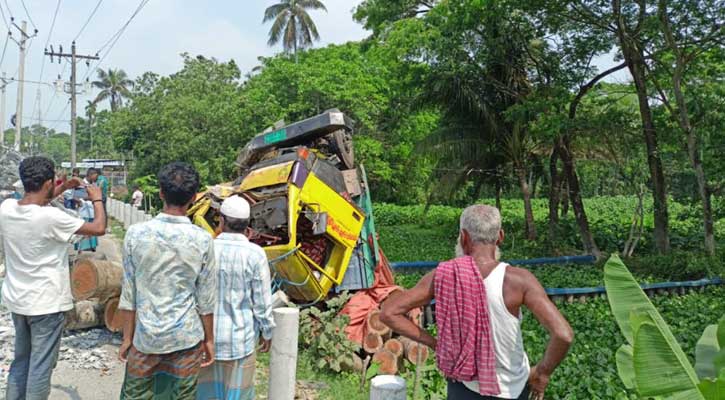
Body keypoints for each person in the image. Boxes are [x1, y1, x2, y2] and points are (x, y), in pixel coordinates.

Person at [380, 205, 573, 400]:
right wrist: (542, 373)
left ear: (463, 237)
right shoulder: (519, 281)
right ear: (500, 237)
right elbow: (563, 335)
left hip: (464, 386)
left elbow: (389, 312)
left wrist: (435, 344)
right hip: (513, 389)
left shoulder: (442, 276)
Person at [0, 156, 106, 400]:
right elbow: (99, 227)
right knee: (40, 367)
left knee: (21, 362)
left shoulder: (7, 208)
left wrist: (64, 187)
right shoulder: (52, 218)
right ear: (48, 182)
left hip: (18, 301)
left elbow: (38, 201)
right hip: (46, 303)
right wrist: (97, 198)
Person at [118, 162, 217, 400]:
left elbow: (129, 294)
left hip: (145, 339)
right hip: (186, 339)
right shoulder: (203, 240)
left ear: (161, 193)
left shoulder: (136, 235)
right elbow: (206, 299)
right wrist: (210, 340)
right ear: (194, 197)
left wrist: (127, 339)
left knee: (136, 394)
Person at [197, 195, 275, 400]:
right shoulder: (255, 254)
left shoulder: (206, 249)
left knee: (205, 395)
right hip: (241, 342)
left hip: (207, 340)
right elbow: (262, 302)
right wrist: (267, 332)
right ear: (247, 225)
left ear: (221, 221)